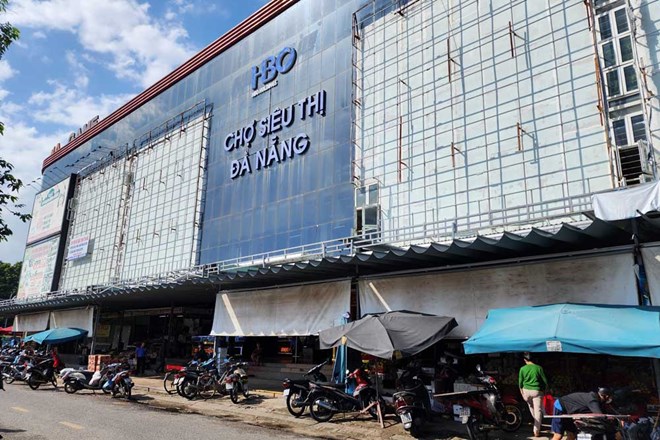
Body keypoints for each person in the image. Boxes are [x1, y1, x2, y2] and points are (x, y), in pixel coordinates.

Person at [519, 352, 549, 437]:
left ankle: (537, 424)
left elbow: (520, 383)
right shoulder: (538, 368)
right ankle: (536, 430)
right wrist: (545, 390)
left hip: (526, 392)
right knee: (538, 411)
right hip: (536, 391)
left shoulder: (522, 369)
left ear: (525, 360)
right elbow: (545, 381)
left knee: (532, 408)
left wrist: (522, 393)